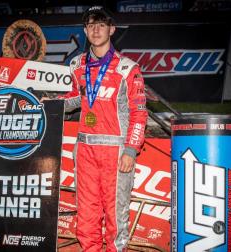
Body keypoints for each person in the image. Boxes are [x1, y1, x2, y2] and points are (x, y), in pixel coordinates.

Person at [51, 6, 148, 251]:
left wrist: (130, 149)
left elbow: (139, 112)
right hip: (84, 149)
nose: (96, 29)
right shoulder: (77, 65)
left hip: (116, 152)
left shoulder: (128, 68)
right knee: (86, 215)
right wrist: (49, 105)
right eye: (91, 25)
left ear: (112, 29)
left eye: (101, 24)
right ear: (85, 30)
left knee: (116, 216)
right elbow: (75, 99)